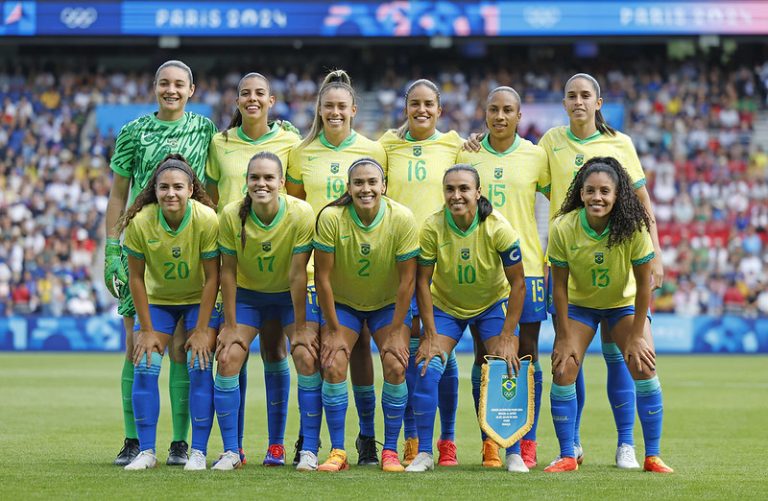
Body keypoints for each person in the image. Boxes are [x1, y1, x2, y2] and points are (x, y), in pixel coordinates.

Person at [538, 73, 664, 469]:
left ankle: (627, 444)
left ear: (598, 102)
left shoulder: (620, 143)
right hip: (569, 262)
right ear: (564, 103)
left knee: (623, 356)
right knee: (566, 358)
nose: (578, 101)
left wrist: (655, 253)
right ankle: (570, 445)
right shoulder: (550, 142)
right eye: (571, 95)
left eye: (585, 95)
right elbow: (521, 175)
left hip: (618, 273)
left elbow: (641, 202)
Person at [105, 60, 218, 466]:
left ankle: (179, 443)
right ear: (155, 87)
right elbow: (118, 194)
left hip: (190, 249)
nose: (171, 90)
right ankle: (133, 440)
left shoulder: (205, 129)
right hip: (144, 247)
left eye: (179, 84)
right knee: (135, 347)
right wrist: (111, 248)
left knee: (182, 353)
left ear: (192, 89)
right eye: (164, 83)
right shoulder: (133, 131)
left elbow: (216, 184)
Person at [545, 156, 673, 474]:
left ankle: (651, 455)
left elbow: (644, 285)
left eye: (604, 191)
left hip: (622, 305)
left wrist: (637, 333)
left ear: (617, 196)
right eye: (590, 191)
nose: (597, 197)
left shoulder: (633, 226)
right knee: (563, 367)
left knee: (642, 363)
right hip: (580, 307)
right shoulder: (563, 226)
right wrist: (561, 336)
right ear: (581, 193)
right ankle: (566, 455)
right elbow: (558, 287)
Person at [286, 69, 387, 466]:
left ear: (354, 110)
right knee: (313, 355)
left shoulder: (373, 150)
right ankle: (308, 440)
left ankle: (366, 438)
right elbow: (296, 208)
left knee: (360, 355)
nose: (335, 112)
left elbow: (379, 203)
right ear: (319, 110)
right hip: (316, 272)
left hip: (364, 269)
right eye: (328, 106)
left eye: (341, 106)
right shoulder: (300, 153)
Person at [206, 72, 301, 466]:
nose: (252, 99)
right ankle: (235, 447)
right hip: (235, 267)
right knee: (231, 354)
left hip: (278, 269)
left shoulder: (291, 141)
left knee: (278, 350)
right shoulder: (219, 143)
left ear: (272, 99)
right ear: (237, 100)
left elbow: (295, 199)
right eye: (245, 93)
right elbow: (211, 199)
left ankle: (277, 445)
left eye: (259, 93)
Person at [406, 164, 526, 473]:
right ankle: (424, 453)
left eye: (463, 189)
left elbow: (518, 284)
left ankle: (511, 451)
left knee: (505, 366)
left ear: (478, 192)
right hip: (447, 306)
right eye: (450, 189)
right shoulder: (432, 226)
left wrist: (508, 336)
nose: (456, 195)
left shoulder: (498, 226)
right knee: (427, 366)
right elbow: (422, 282)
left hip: (490, 305)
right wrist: (430, 335)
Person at [456, 86, 549, 468]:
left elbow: (557, 205)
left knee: (527, 356)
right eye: (493, 109)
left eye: (507, 110)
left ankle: (527, 440)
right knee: (485, 357)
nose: (499, 116)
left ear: (519, 114)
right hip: (480, 271)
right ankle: (491, 440)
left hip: (525, 268)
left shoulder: (535, 155)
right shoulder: (467, 153)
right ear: (485, 112)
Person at [313, 158, 419, 472]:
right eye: (358, 183)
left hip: (387, 305)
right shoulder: (332, 217)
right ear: (348, 187)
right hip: (344, 304)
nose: (366, 188)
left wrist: (399, 328)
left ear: (383, 186)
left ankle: (389, 451)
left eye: (372, 182)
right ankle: (338, 451)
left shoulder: (401, 218)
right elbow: (322, 279)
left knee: (396, 363)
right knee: (331, 363)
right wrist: (332, 327)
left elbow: (407, 281)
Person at [379, 78, 464, 466]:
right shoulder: (386, 145)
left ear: (440, 109)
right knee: (414, 348)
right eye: (415, 103)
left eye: (429, 103)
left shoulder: (454, 144)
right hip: (398, 257)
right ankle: (413, 437)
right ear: (405, 107)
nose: (422, 110)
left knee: (436, 346)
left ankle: (447, 439)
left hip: (440, 258)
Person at [212, 152, 316, 471]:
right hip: (248, 296)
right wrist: (229, 324)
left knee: (306, 355)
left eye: (269, 178)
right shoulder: (231, 215)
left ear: (282, 183)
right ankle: (232, 451)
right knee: (227, 356)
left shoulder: (301, 213)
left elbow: (299, 274)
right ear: (246, 182)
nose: (262, 183)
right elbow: (226, 272)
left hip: (288, 295)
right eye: (255, 178)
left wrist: (301, 325)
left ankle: (304, 449)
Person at [118, 155, 220, 470]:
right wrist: (146, 331)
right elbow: (136, 277)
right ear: (155, 190)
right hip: (158, 300)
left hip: (196, 301)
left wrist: (202, 330)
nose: (171, 193)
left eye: (178, 187)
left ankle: (198, 452)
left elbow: (213, 277)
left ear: (191, 189)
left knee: (199, 363)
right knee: (145, 362)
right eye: (164, 187)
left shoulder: (206, 219)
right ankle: (146, 451)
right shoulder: (141, 221)